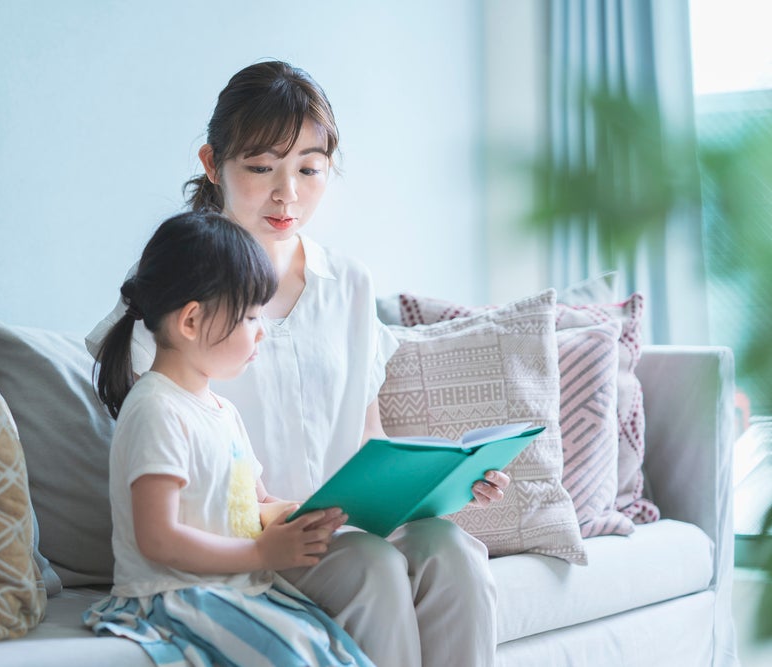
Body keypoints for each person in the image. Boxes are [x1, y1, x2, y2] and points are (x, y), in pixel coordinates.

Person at [87, 61, 510, 667]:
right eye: (261, 168)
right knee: (372, 566)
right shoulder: (180, 296)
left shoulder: (351, 283)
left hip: (346, 523)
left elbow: (370, 439)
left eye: (309, 169)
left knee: (453, 549)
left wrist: (444, 482)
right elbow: (163, 465)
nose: (288, 194)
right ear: (213, 164)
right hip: (254, 541)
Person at [85, 210, 374, 666]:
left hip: (235, 586)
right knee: (297, 655)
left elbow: (254, 505)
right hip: (173, 593)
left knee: (338, 650)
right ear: (192, 321)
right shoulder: (156, 408)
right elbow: (157, 538)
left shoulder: (223, 412)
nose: (262, 332)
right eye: (251, 317)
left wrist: (296, 514)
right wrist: (261, 551)